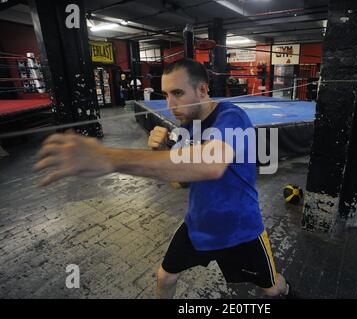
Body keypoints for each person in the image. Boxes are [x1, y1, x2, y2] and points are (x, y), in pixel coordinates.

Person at [33, 59, 295, 299]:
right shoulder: (185, 128)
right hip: (199, 225)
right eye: (166, 95)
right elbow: (178, 182)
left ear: (202, 90)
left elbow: (210, 166)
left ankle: (288, 289)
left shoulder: (231, 117)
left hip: (240, 229)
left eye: (178, 93)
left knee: (273, 289)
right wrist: (161, 152)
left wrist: (109, 158)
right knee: (165, 277)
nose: (170, 105)